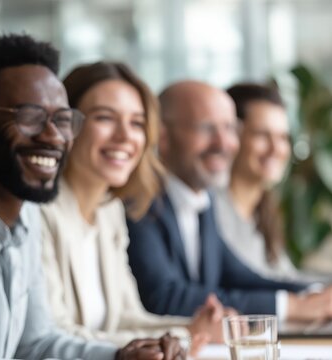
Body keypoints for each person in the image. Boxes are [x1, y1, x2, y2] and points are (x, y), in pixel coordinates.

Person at [0, 34, 185, 360]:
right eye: (30, 116)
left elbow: (36, 344)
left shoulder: (24, 210)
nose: (53, 136)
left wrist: (122, 356)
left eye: (61, 119)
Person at [40, 62, 225, 353]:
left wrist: (190, 329)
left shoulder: (109, 210)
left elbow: (127, 317)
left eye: (137, 123)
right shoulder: (40, 213)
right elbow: (53, 333)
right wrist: (176, 341)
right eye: (105, 118)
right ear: (67, 126)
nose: (126, 136)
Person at [126, 80, 332, 322]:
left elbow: (240, 277)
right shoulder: (137, 201)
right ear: (162, 136)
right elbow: (164, 297)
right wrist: (291, 307)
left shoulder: (204, 199)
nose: (223, 143)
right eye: (206, 128)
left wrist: (313, 293)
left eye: (230, 129)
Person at [213, 83, 300, 281]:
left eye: (283, 137)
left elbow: (287, 278)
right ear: (231, 136)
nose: (276, 149)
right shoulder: (211, 209)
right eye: (262, 135)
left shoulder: (264, 210)